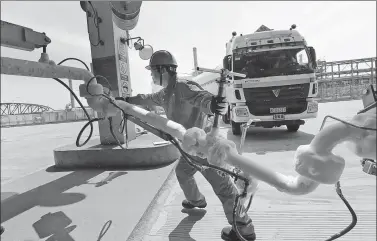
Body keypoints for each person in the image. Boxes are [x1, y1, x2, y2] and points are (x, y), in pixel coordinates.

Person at [123, 50, 256, 241]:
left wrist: (213, 104)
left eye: (152, 70)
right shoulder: (165, 93)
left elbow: (201, 98)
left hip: (205, 148)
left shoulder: (183, 86)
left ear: (163, 69)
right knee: (183, 173)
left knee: (225, 189)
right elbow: (146, 99)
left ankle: (244, 228)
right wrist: (126, 101)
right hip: (190, 150)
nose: (151, 75)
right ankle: (197, 200)